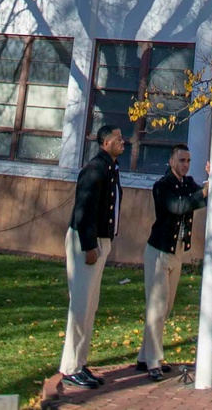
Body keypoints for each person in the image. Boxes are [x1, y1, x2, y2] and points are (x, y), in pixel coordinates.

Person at [58, 124, 125, 390]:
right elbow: (84, 209)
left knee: (90, 305)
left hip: (101, 241)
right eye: (118, 139)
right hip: (87, 242)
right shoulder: (95, 169)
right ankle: (70, 367)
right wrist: (89, 246)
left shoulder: (109, 168)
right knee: (80, 306)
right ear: (106, 142)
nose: (123, 141)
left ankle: (80, 362)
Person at [137, 143, 209, 380]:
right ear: (171, 162)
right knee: (157, 307)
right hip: (158, 252)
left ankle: (143, 357)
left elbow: (199, 195)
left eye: (188, 161)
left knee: (164, 307)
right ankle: (154, 362)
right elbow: (179, 206)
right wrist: (203, 194)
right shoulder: (162, 186)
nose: (186, 165)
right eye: (181, 160)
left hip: (176, 251)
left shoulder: (187, 184)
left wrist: (211, 179)